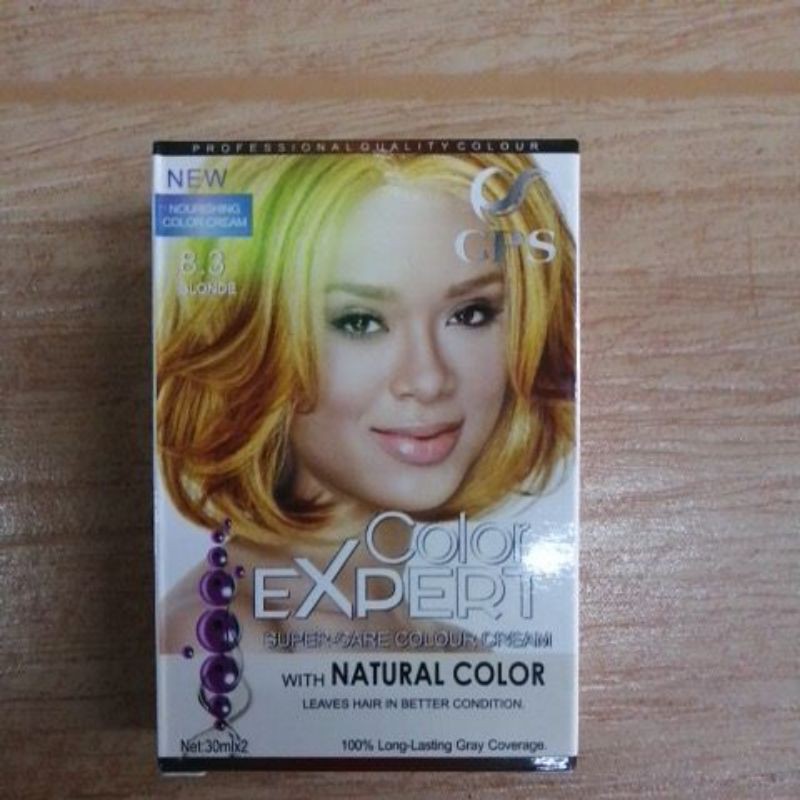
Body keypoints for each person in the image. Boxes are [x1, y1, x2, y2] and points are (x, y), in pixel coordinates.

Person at [156, 151, 575, 652]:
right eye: (359, 321)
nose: (428, 379)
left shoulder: (456, 652)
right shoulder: (222, 637)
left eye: (471, 313)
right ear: (252, 347)